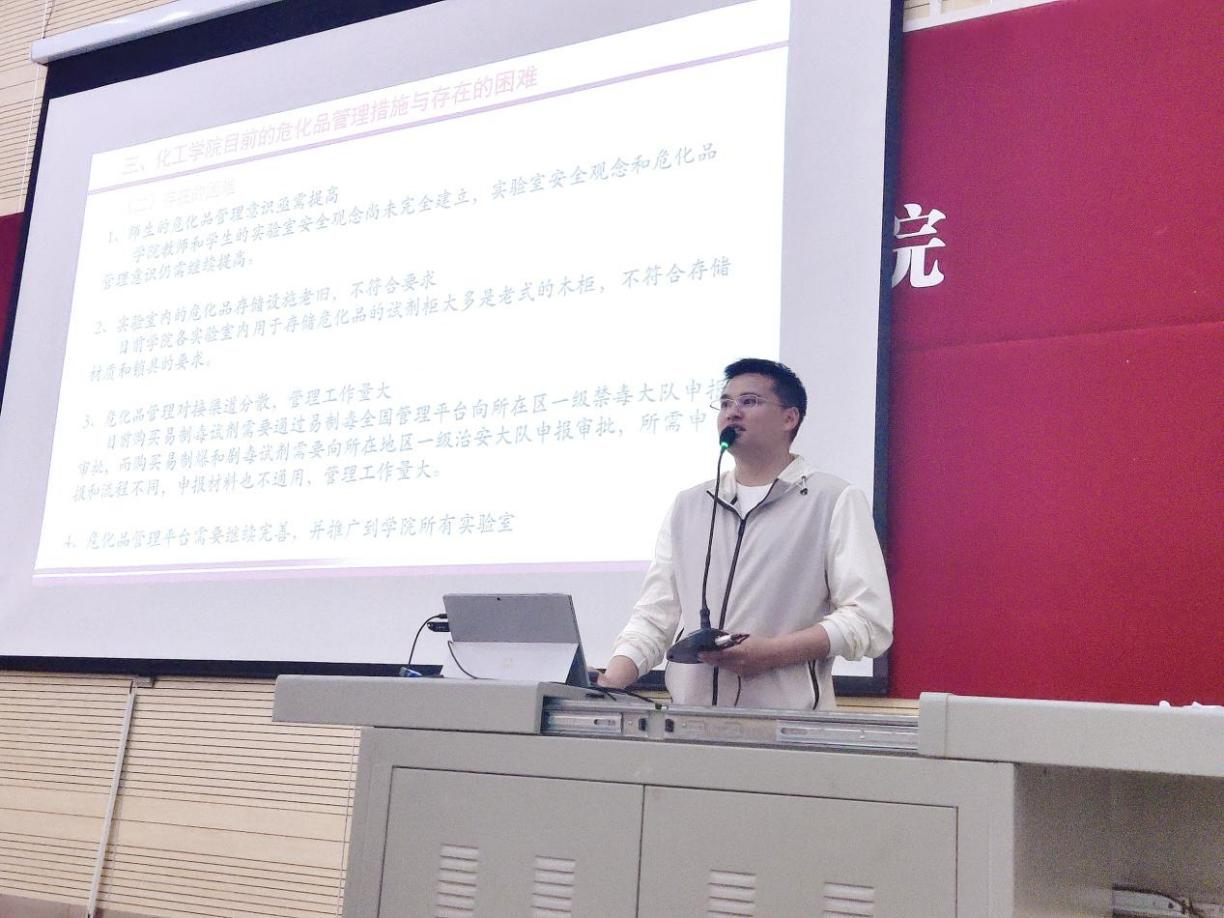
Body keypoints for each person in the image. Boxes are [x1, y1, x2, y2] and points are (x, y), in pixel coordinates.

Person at [599, 358, 892, 710]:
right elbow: (654, 617)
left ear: (789, 418)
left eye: (749, 401)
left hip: (788, 727)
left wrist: (774, 653)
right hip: (688, 724)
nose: (732, 412)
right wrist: (607, 685)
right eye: (725, 403)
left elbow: (868, 619)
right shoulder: (690, 505)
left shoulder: (832, 499)